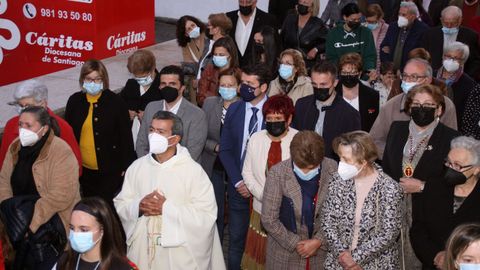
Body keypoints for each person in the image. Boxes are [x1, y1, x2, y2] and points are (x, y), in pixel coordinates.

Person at [114, 111, 225, 270]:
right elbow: (121, 203)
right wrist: (138, 207)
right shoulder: (137, 168)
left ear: (175, 139)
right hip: (143, 248)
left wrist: (166, 208)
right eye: (151, 130)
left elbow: (206, 215)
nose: (153, 135)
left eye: (160, 132)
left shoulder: (193, 172)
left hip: (179, 254)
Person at [382, 84, 460, 269]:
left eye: (428, 104)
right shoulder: (397, 129)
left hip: (427, 216)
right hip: (393, 211)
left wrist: (423, 186)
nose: (421, 108)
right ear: (409, 108)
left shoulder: (452, 138)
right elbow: (386, 166)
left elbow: (455, 183)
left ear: (439, 109)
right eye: (416, 103)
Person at [0, 106, 80, 269]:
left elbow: (61, 195)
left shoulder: (61, 150)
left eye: (29, 125)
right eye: (21, 124)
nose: (23, 130)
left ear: (44, 129)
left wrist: (30, 223)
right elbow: (4, 181)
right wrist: (10, 215)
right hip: (17, 228)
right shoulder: (15, 147)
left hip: (49, 229)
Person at [322, 131, 403, 269]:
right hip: (339, 262)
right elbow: (327, 221)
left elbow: (389, 234)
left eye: (346, 159)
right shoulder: (337, 180)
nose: (341, 163)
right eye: (340, 157)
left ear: (364, 161)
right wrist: (343, 256)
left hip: (376, 264)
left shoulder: (389, 188)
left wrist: (356, 258)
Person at [218, 64, 271, 270]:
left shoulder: (274, 110)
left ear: (263, 87)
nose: (244, 88)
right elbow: (225, 150)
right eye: (243, 83)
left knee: (263, 246)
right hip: (238, 187)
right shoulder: (235, 109)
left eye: (251, 84)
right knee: (236, 242)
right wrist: (239, 181)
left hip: (265, 190)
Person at [261, 131, 337, 269]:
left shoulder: (332, 168)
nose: (307, 173)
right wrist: (298, 244)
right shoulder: (278, 173)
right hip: (284, 254)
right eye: (302, 169)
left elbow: (338, 213)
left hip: (321, 256)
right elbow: (269, 219)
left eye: (312, 169)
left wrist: (318, 241)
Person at [65, 59, 135, 207]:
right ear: (82, 79)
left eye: (97, 79)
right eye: (89, 79)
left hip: (110, 171)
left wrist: (126, 167)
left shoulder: (116, 102)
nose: (93, 83)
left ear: (104, 80)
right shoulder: (74, 101)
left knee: (107, 211)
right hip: (84, 172)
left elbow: (125, 137)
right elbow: (68, 136)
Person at [241, 95, 298, 269]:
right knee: (260, 258)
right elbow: (247, 173)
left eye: (278, 119)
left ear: (289, 119)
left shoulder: (299, 139)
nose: (273, 122)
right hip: (261, 208)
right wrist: (265, 197)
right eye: (269, 119)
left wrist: (283, 200)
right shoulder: (256, 139)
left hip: (290, 212)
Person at [410, 136, 480, 269]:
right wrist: (435, 255)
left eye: (458, 165)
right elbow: (418, 229)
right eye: (448, 162)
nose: (451, 168)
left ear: (477, 169)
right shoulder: (434, 186)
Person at [369, 58, 458, 157]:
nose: (408, 81)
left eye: (414, 77)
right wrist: (397, 154)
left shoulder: (446, 105)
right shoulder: (391, 106)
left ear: (427, 80)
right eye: (405, 76)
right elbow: (374, 141)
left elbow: (452, 143)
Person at [0, 80, 81, 175]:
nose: (22, 110)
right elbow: (3, 165)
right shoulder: (11, 125)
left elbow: (75, 167)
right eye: (20, 105)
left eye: (28, 106)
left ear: (43, 104)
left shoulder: (62, 127)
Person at [200, 71, 241, 242]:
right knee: (214, 207)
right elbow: (201, 134)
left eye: (230, 85)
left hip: (236, 168)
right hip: (213, 164)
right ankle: (215, 244)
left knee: (236, 210)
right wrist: (215, 147)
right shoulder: (210, 104)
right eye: (222, 85)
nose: (226, 89)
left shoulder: (244, 106)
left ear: (238, 87)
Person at [136, 65, 207, 162]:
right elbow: (141, 143)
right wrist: (149, 165)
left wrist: (166, 170)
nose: (167, 87)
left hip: (181, 172)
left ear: (182, 88)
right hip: (150, 168)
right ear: (159, 87)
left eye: (172, 84)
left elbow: (193, 152)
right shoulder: (151, 108)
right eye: (163, 84)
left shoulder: (197, 115)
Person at [292, 61, 361, 159]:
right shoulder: (301, 105)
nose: (318, 88)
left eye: (323, 84)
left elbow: (353, 151)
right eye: (314, 85)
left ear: (335, 82)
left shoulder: (349, 114)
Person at [54, 197, 138, 270]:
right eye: (72, 228)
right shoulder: (65, 261)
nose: (75, 234)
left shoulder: (121, 267)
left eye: (84, 230)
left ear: (102, 230)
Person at [422, 6, 480, 80]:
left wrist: (465, 77)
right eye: (446, 23)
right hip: (434, 78)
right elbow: (423, 56)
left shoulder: (470, 36)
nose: (449, 26)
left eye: (453, 23)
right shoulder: (430, 34)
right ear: (441, 20)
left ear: (460, 21)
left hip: (460, 80)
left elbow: (475, 62)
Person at [120, 49, 161, 149]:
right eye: (137, 77)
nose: (140, 81)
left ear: (153, 69)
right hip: (131, 141)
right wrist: (126, 113)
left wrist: (148, 119)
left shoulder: (162, 87)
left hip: (152, 143)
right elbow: (119, 105)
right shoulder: (131, 84)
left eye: (144, 76)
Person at [436, 42, 479, 132]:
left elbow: (467, 115)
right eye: (448, 56)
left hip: (453, 128)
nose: (451, 60)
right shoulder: (430, 76)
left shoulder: (469, 84)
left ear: (462, 61)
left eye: (456, 58)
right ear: (443, 56)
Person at [325, 3, 377, 73]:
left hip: (362, 74)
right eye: (353, 19)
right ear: (345, 17)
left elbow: (370, 56)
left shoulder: (366, 32)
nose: (356, 22)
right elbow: (331, 58)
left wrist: (369, 70)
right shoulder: (333, 33)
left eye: (359, 19)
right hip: (340, 74)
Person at [226, 0, 278, 68]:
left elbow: (273, 48)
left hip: (257, 71)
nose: (244, 5)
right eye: (241, 2)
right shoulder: (228, 18)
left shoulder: (268, 19)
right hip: (232, 70)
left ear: (255, 1)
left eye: (248, 2)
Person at [336, 52, 380, 132]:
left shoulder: (372, 95)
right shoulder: (332, 93)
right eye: (344, 73)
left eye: (352, 73)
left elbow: (375, 125)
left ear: (359, 74)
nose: (348, 76)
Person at [380, 1, 429, 71]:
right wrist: (389, 68)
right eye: (399, 14)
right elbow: (383, 48)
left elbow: (418, 54)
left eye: (404, 15)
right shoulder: (393, 26)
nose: (400, 17)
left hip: (410, 71)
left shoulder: (423, 30)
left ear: (413, 17)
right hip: (391, 72)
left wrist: (403, 70)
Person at [281, 0, 328, 69]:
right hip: (288, 62)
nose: (301, 4)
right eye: (300, 1)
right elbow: (281, 39)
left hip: (307, 64)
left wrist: (316, 49)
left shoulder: (318, 23)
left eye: (305, 2)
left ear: (312, 6)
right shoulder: (290, 19)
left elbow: (328, 41)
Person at [176, 15, 210, 104]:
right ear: (186, 34)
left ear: (197, 24)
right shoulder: (186, 45)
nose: (192, 28)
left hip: (210, 76)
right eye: (188, 29)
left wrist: (201, 77)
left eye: (193, 25)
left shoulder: (208, 35)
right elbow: (189, 65)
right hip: (195, 78)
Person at [197, 36, 240, 106]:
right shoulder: (209, 70)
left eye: (221, 55)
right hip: (211, 110)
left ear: (230, 55)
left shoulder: (238, 74)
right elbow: (201, 97)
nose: (218, 57)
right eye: (215, 54)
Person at [197, 13, 233, 80]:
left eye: (209, 25)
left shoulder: (225, 46)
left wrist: (201, 83)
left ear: (216, 29)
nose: (207, 27)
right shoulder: (209, 43)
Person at [365, 4, 390, 72]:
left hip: (382, 67)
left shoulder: (387, 29)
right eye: (368, 21)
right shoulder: (362, 28)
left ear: (380, 18)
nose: (369, 24)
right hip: (366, 67)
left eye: (373, 22)